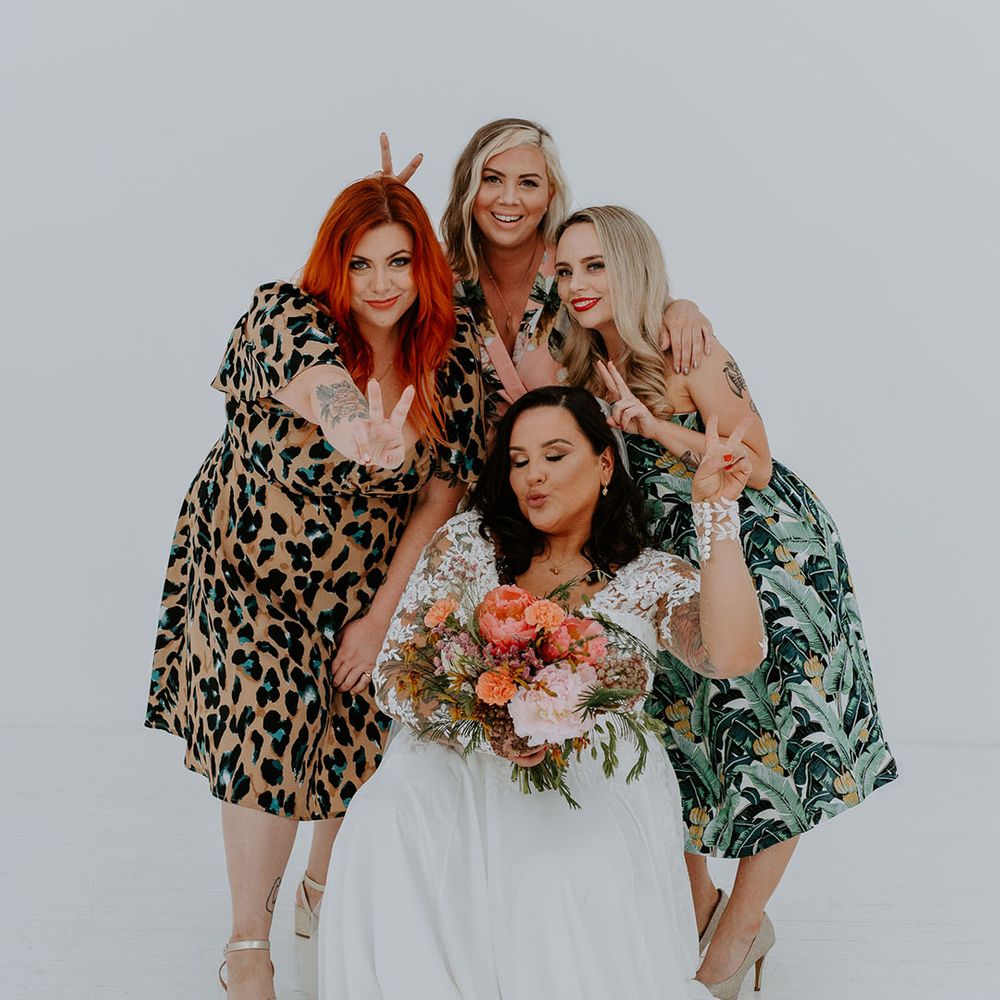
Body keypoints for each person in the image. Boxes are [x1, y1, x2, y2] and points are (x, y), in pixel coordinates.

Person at [144, 176, 486, 998]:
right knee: (267, 737)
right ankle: (247, 949)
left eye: (398, 261)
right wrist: (352, 424)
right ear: (333, 264)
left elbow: (445, 491)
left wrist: (380, 614)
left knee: (350, 742)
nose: (379, 283)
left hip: (362, 584)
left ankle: (323, 890)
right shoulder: (283, 315)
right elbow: (316, 385)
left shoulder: (453, 352)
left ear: (424, 267)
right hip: (246, 568)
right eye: (359, 262)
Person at [318, 385, 768, 1000]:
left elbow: (733, 654)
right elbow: (396, 672)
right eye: (519, 460)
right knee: (382, 818)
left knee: (551, 873)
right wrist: (485, 725)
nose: (533, 475)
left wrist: (717, 513)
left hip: (591, 772)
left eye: (555, 455)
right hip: (454, 751)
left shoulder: (648, 576)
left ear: (604, 463)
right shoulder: (470, 543)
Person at [554, 205, 898, 995]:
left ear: (633, 267)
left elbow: (759, 461)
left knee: (770, 742)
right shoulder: (573, 360)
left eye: (596, 266)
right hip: (665, 570)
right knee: (673, 743)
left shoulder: (687, 347)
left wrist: (655, 428)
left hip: (763, 555)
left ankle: (737, 934)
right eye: (566, 269)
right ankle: (703, 909)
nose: (577, 284)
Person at [380, 119, 715, 426]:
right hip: (464, 480)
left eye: (528, 183)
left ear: (549, 194)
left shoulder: (576, 268)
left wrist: (681, 309)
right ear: (469, 187)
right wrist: (376, 211)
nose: (509, 198)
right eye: (492, 179)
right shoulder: (435, 268)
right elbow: (353, 294)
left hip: (574, 480)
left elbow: (640, 303)